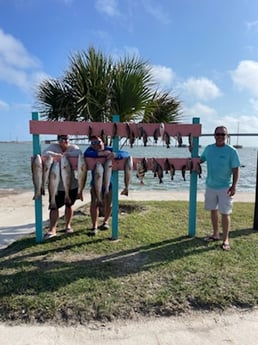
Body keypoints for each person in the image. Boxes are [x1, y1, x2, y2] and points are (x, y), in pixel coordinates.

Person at [200, 126, 241, 251]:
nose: (220, 136)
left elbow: (236, 170)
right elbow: (200, 160)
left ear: (227, 136)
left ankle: (226, 239)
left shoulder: (232, 151)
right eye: (218, 134)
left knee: (225, 213)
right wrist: (192, 153)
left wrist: (234, 186)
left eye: (223, 134)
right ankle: (215, 234)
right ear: (214, 135)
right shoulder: (209, 149)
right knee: (213, 210)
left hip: (225, 188)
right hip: (210, 186)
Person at [84, 135, 128, 236]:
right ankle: (94, 225)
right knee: (94, 204)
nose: (96, 145)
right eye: (93, 143)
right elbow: (86, 153)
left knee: (109, 204)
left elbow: (125, 153)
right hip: (95, 183)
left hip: (110, 184)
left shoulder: (110, 149)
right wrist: (102, 153)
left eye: (98, 142)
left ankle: (105, 222)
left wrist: (115, 155)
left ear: (103, 142)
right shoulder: (90, 150)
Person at [42, 134, 81, 239]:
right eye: (62, 139)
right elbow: (45, 153)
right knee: (54, 206)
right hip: (56, 185)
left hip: (71, 183)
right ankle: (52, 229)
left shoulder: (74, 147)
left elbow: (79, 153)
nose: (65, 141)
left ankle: (68, 226)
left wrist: (67, 154)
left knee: (69, 205)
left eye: (67, 139)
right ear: (58, 140)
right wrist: (57, 155)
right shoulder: (53, 146)